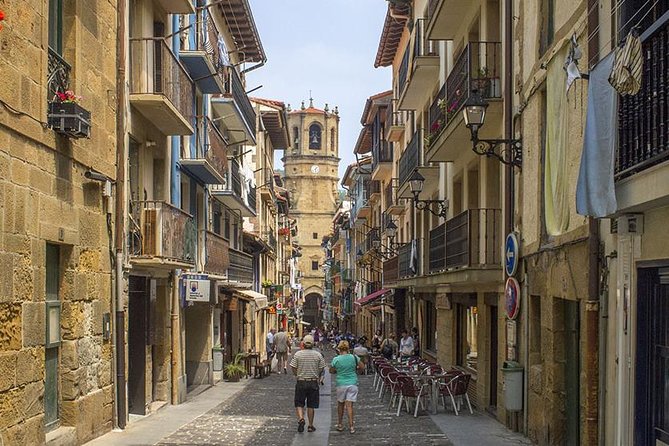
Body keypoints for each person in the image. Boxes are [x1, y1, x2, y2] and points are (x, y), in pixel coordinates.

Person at [290, 334, 326, 433]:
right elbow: (322, 367)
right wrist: (317, 374)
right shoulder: (318, 355)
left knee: (299, 403)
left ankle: (301, 418)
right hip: (313, 382)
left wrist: (296, 374)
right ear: (313, 344)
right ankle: (310, 425)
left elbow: (293, 366)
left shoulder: (298, 354)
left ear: (303, 343)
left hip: (301, 381)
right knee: (311, 405)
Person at [330, 340, 364, 434]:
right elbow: (362, 367)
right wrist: (357, 372)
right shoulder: (354, 357)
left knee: (340, 404)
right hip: (352, 383)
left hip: (341, 383)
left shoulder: (336, 359)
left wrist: (338, 370)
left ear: (339, 348)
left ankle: (340, 424)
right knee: (349, 406)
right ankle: (351, 426)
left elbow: (331, 370)